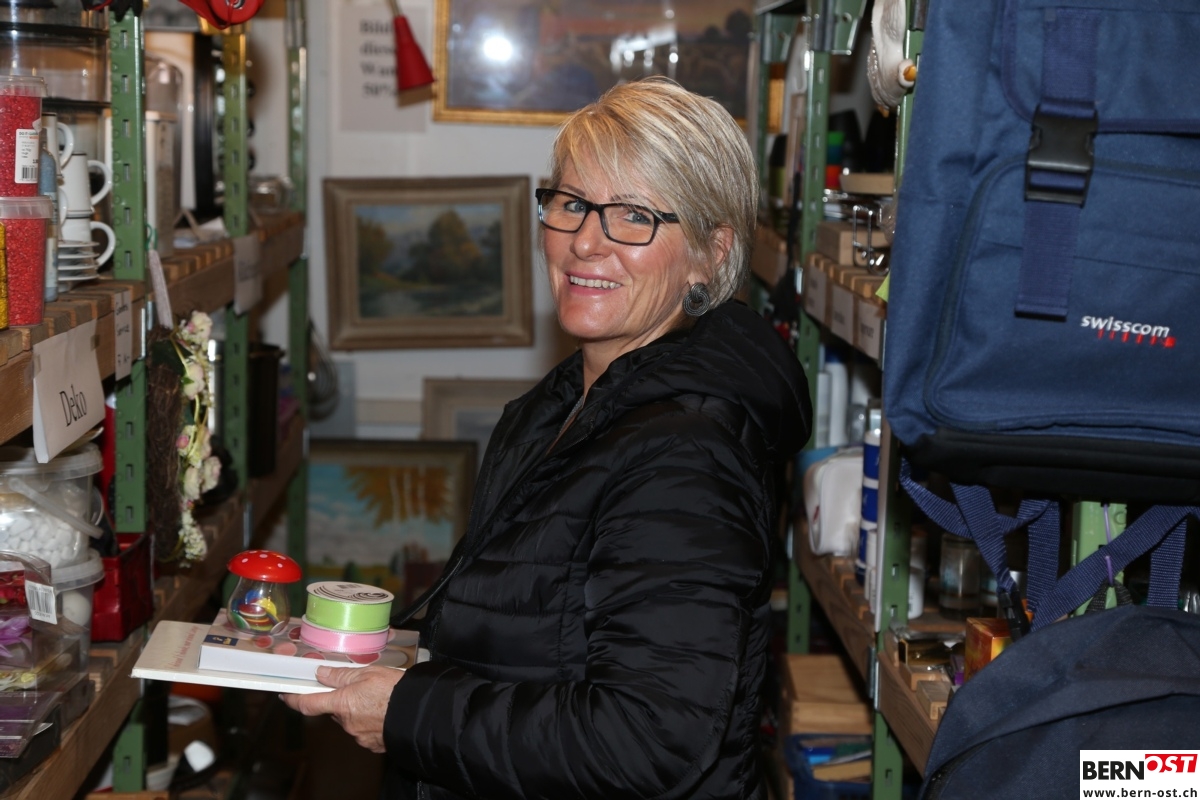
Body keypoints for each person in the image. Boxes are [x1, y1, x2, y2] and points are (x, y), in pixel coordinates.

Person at [283, 76, 812, 800]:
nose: (585, 242)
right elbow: (533, 639)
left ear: (710, 254)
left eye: (634, 216)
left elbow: (647, 738)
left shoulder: (686, 454)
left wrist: (409, 712)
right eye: (570, 203)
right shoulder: (555, 410)